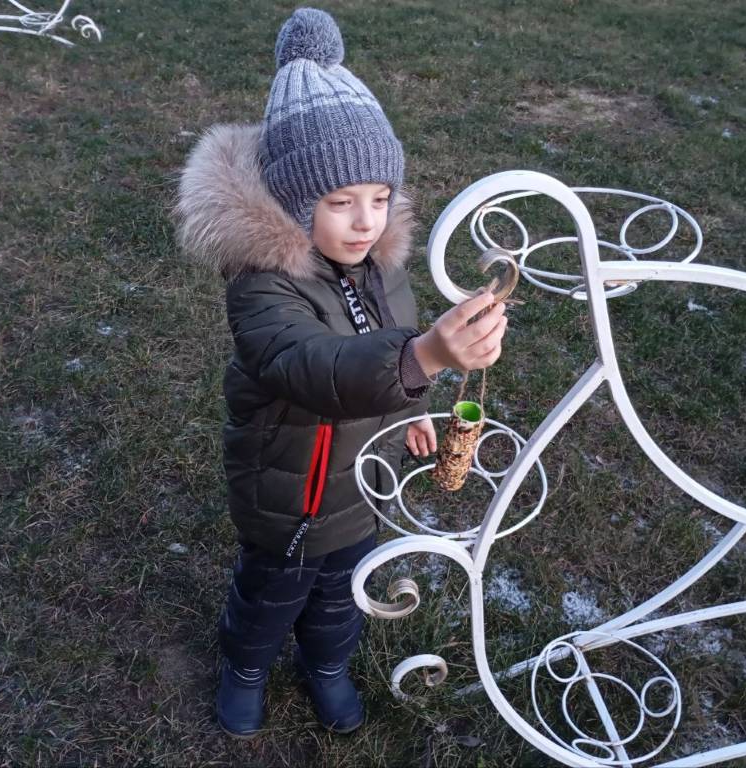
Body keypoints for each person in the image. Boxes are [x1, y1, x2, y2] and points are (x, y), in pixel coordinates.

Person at [174, 7, 507, 738]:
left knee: (341, 595)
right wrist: (424, 357)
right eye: (341, 202)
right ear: (296, 202)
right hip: (287, 496)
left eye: (380, 198)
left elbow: (383, 345)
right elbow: (310, 367)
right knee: (270, 597)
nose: (366, 221)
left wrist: (410, 405)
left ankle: (326, 665)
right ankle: (246, 668)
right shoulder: (261, 285)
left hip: (361, 487)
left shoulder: (378, 264)